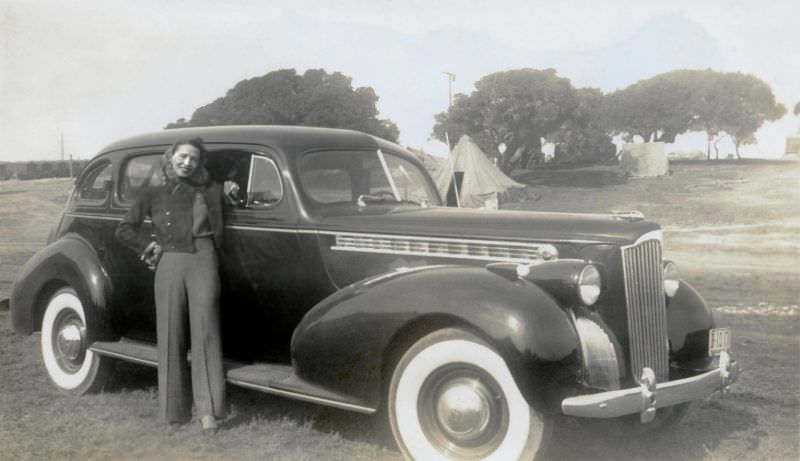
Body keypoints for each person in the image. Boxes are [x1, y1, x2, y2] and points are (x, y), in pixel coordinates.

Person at [116, 137, 226, 435]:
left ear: (200, 163)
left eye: (194, 158)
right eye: (183, 156)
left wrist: (233, 189)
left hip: (204, 259)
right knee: (170, 332)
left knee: (206, 331)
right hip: (169, 263)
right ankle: (172, 411)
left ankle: (209, 412)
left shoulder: (212, 190)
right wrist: (148, 246)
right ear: (171, 156)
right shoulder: (152, 192)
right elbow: (124, 229)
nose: (187, 163)